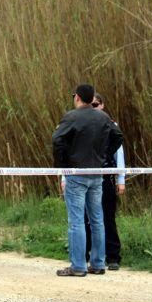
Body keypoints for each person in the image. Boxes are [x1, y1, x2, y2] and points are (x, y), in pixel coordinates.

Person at [52, 84, 123, 277]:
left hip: (77, 175)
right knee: (97, 219)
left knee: (76, 222)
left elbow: (56, 139)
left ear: (77, 98)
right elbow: (118, 137)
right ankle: (98, 264)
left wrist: (63, 164)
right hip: (97, 174)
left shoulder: (72, 116)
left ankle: (78, 266)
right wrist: (104, 155)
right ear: (92, 98)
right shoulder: (103, 117)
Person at [84, 93, 125, 270]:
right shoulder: (81, 122)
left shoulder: (111, 125)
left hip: (106, 176)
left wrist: (121, 179)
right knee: (85, 218)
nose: (93, 108)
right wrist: (64, 176)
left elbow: (119, 154)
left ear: (102, 106)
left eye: (96, 105)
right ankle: (84, 254)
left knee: (108, 217)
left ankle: (113, 257)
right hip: (85, 176)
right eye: (90, 105)